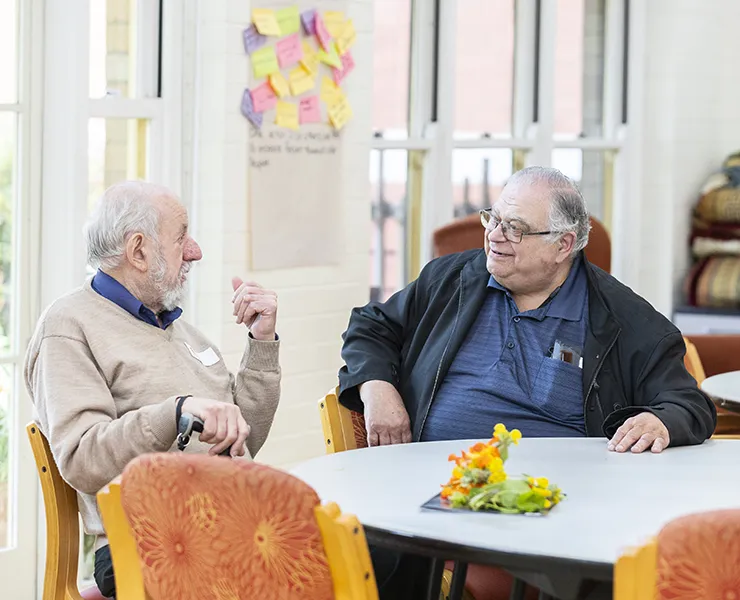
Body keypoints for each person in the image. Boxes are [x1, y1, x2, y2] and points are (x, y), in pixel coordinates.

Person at [338, 166, 716, 600]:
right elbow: (371, 326)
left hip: (555, 515)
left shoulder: (621, 319)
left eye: (515, 228)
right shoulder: (451, 280)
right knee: (341, 549)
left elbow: (688, 403)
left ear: (563, 245)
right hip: (427, 495)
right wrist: (377, 387)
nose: (495, 236)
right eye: (493, 219)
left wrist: (660, 420)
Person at [24, 181, 281, 598]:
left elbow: (243, 436)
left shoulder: (177, 328)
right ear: (139, 251)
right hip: (145, 540)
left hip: (230, 517)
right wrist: (174, 412)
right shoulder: (68, 327)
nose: (195, 250)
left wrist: (262, 342)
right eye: (182, 237)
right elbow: (83, 457)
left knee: (359, 551)